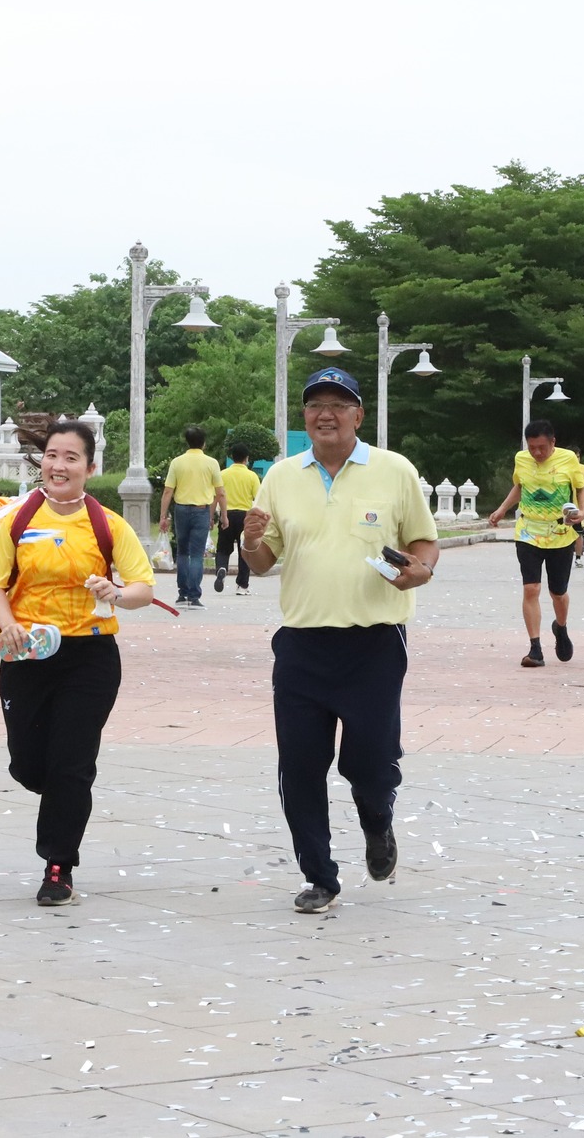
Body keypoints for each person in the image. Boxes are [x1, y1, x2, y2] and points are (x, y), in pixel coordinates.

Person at [239, 367, 438, 914]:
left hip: (374, 643)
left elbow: (423, 541)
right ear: (304, 416)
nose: (324, 414)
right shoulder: (281, 476)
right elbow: (263, 562)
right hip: (301, 645)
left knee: (372, 765)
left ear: (358, 414)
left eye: (337, 403)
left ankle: (378, 822)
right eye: (314, 405)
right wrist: (249, 543)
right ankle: (319, 876)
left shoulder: (393, 471)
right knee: (300, 767)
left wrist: (419, 570)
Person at [0, 419, 156, 905]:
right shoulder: (16, 521)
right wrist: (6, 624)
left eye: (71, 458)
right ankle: (54, 792)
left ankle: (59, 865)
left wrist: (117, 593)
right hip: (26, 651)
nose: (58, 465)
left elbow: (142, 588)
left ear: (90, 467)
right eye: (52, 455)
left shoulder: (108, 524)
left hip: (90, 656)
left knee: (73, 764)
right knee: (30, 765)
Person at [486, 419, 584, 668]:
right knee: (531, 589)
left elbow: (582, 488)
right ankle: (535, 649)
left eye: (541, 447)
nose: (537, 453)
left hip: (561, 533)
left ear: (553, 442)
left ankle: (560, 628)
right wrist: (501, 510)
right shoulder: (521, 459)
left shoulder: (568, 460)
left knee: (558, 592)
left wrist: (583, 511)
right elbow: (519, 487)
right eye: (532, 447)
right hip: (528, 531)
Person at [158, 425, 225, 608]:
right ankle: (194, 596)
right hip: (201, 510)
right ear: (203, 443)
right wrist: (221, 515)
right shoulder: (211, 463)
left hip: (181, 510)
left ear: (187, 442)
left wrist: (163, 516)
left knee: (182, 552)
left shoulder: (177, 462)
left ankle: (182, 594)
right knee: (196, 555)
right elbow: (220, 493)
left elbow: (167, 491)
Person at [214, 442, 261, 595]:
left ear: (231, 457)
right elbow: (258, 497)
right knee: (244, 550)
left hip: (227, 514)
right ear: (246, 459)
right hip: (245, 516)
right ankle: (242, 585)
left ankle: (221, 568)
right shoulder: (252, 476)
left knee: (223, 548)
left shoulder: (223, 474)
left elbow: (217, 495)